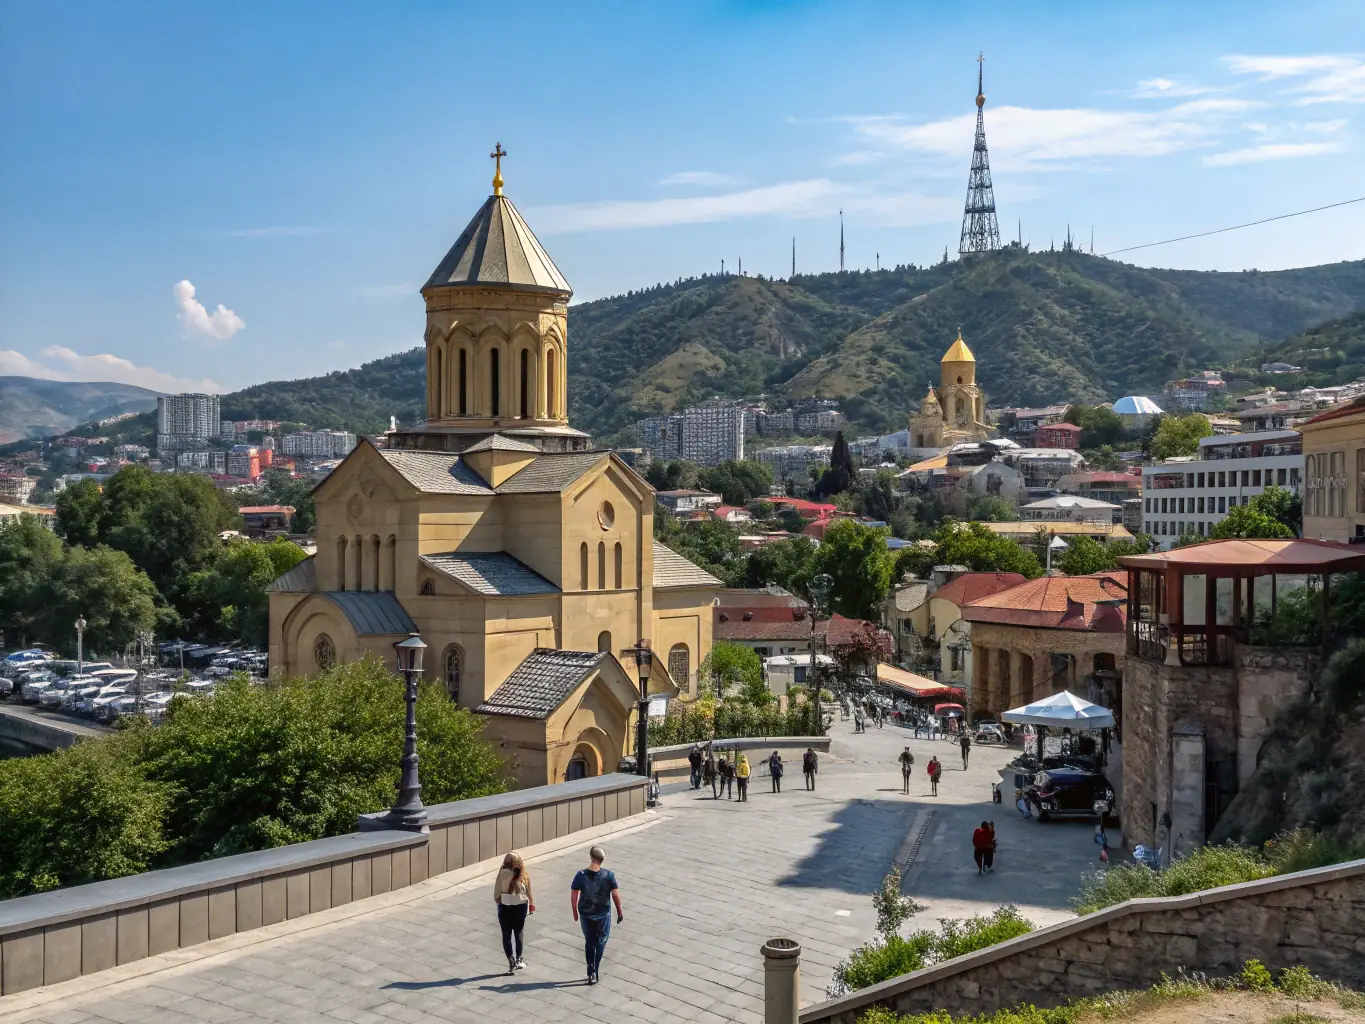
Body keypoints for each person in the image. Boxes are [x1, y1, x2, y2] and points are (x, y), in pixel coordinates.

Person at [571, 845, 622, 985]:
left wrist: (575, 912)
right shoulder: (609, 875)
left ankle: (591, 970)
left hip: (586, 915)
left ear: (591, 858)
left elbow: (574, 895)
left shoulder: (580, 875)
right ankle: (595, 967)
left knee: (589, 941)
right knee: (601, 941)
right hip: (603, 915)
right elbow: (615, 895)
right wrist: (619, 912)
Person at [493, 852, 535, 974]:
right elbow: (529, 893)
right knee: (519, 932)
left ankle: (510, 959)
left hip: (505, 907)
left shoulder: (502, 874)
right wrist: (531, 903)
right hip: (520, 907)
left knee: (506, 934)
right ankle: (519, 959)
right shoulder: (523, 874)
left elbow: (496, 896)